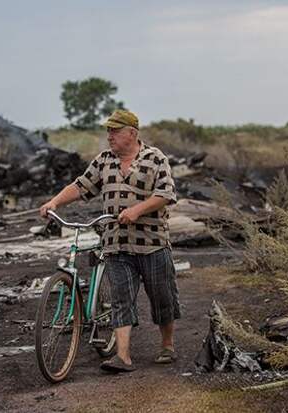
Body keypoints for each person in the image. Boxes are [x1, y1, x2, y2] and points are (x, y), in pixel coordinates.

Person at [39, 109, 181, 373]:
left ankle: (167, 344)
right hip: (115, 243)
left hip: (152, 243)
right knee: (120, 298)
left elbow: (166, 194)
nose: (109, 136)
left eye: (115, 131)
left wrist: (137, 210)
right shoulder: (104, 160)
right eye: (108, 131)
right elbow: (81, 186)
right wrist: (55, 201)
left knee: (162, 297)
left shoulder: (155, 158)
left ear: (132, 133)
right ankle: (123, 356)